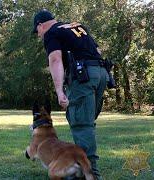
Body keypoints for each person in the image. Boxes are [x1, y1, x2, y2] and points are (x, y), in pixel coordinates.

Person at [32, 9, 109, 180]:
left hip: (83, 76)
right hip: (101, 73)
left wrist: (59, 90)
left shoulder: (51, 33)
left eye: (37, 31)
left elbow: (55, 60)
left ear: (40, 25)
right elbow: (97, 49)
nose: (38, 35)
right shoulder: (77, 26)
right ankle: (84, 169)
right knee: (88, 121)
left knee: (82, 124)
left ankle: (90, 175)